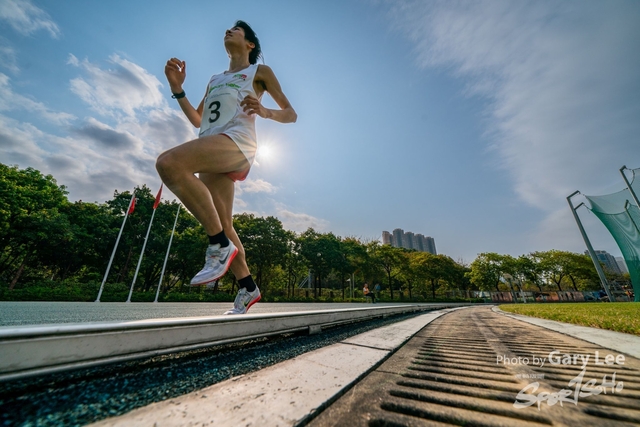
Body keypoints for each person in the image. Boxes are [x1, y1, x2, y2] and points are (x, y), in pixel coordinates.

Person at [157, 21, 297, 315]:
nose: (228, 30)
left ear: (250, 45)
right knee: (224, 224)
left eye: (237, 29)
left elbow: (291, 113)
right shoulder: (215, 79)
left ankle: (217, 246)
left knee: (168, 163)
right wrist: (177, 89)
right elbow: (198, 119)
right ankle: (248, 288)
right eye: (228, 28)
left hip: (237, 143)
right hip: (211, 146)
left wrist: (265, 110)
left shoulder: (260, 72)